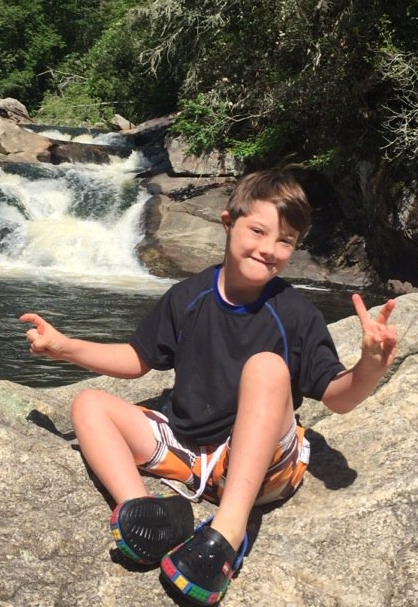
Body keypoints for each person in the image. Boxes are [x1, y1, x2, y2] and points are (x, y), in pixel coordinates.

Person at [21, 169, 398, 605]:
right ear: (227, 222)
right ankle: (149, 513)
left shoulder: (295, 313)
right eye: (258, 230)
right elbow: (137, 359)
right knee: (89, 404)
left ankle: (228, 531)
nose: (268, 249)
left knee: (266, 368)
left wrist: (370, 363)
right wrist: (65, 347)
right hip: (188, 449)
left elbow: (339, 396)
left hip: (258, 466)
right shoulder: (188, 296)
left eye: (285, 241)